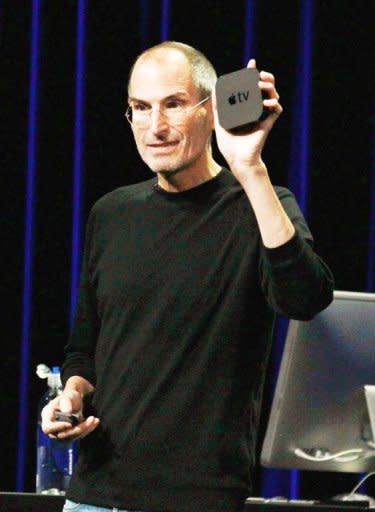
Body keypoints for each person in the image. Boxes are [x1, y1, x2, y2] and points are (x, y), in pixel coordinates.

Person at [41, 41, 334, 512]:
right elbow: (85, 350)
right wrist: (71, 398)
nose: (155, 127)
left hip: (197, 498)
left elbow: (306, 299)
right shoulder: (111, 213)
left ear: (210, 110)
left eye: (173, 105)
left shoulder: (259, 205)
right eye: (141, 108)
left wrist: (250, 168)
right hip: (94, 496)